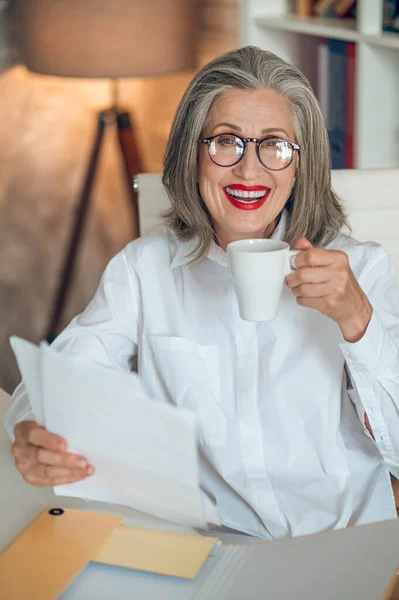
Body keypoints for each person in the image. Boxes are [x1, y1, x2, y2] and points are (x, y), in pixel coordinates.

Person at [4, 46, 399, 539]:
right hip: (205, 542)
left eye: (273, 145)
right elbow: (58, 381)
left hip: (340, 538)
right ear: (193, 157)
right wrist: (32, 432)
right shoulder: (144, 270)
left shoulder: (359, 268)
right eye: (226, 142)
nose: (249, 171)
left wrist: (358, 322)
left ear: (301, 166)